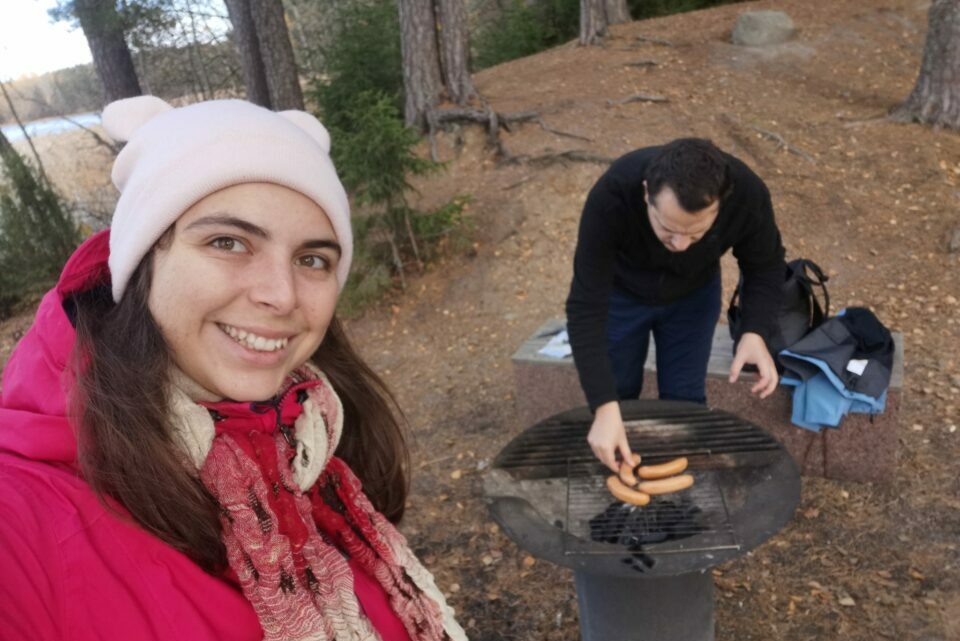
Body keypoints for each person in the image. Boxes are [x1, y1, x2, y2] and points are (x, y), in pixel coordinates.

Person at [0, 96, 467, 641]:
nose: (281, 293)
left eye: (312, 259)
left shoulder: (314, 449)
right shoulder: (23, 521)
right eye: (228, 242)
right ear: (144, 262)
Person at [566, 138, 786, 471]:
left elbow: (766, 265)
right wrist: (603, 405)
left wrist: (755, 331)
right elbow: (585, 305)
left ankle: (678, 495)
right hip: (621, 294)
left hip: (693, 298)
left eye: (695, 233)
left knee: (684, 399)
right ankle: (618, 475)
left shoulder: (746, 194)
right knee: (618, 390)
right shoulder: (613, 193)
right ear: (646, 195)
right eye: (668, 229)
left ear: (720, 206)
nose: (680, 245)